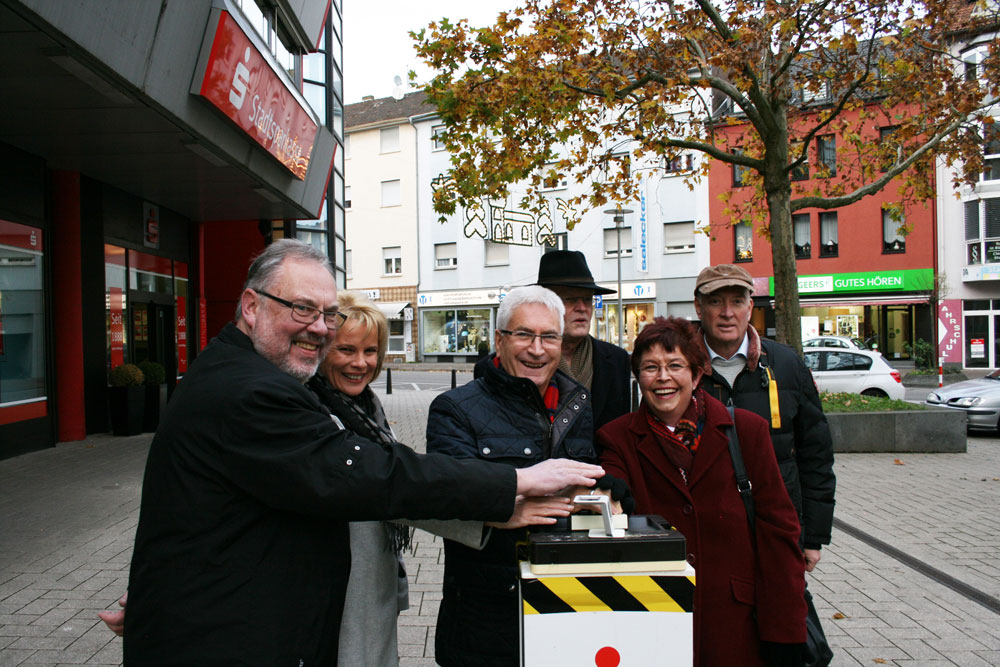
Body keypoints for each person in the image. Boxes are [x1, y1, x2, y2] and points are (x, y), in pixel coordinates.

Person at [119, 240, 604, 664]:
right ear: (251, 306)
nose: (320, 329)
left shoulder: (295, 390)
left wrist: (168, 584)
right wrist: (514, 482)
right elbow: (371, 476)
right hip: (227, 638)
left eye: (328, 315)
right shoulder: (256, 391)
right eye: (302, 309)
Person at [308, 292, 574, 666]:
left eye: (370, 351)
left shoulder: (367, 410)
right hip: (338, 585)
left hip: (373, 583)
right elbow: (398, 487)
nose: (360, 363)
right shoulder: (320, 417)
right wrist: (498, 504)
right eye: (346, 350)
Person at [426, 285, 619, 666]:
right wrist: (503, 506)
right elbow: (449, 494)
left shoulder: (577, 402)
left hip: (566, 604)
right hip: (486, 618)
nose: (537, 348)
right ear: (499, 340)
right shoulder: (454, 409)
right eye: (524, 335)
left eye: (549, 336)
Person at [597, 316, 807, 666]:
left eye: (675, 365)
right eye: (650, 367)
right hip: (654, 622)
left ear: (696, 375)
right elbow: (613, 495)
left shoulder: (746, 431)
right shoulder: (617, 439)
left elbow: (779, 532)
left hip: (736, 625)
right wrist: (608, 495)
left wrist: (785, 631)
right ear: (638, 378)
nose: (663, 378)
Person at [693, 264, 835, 571]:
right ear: (699, 307)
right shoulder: (679, 366)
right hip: (704, 531)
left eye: (736, 301)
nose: (727, 312)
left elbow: (816, 455)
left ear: (750, 307)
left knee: (784, 615)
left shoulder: (786, 365)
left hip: (776, 527)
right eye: (716, 302)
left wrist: (813, 536)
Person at [535, 250, 631, 430]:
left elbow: (621, 431)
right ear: (545, 305)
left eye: (587, 300)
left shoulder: (616, 359)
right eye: (570, 299)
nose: (582, 308)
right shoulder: (521, 359)